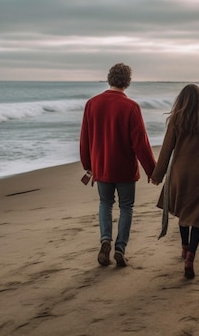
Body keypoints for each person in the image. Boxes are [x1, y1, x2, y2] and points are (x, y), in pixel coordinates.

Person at [80, 63, 156, 267]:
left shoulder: (92, 104)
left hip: (101, 166)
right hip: (123, 167)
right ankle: (120, 248)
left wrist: (88, 164)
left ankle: (105, 240)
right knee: (126, 207)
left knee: (105, 203)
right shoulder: (131, 107)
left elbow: (85, 138)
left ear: (109, 78)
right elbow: (140, 142)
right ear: (127, 82)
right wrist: (151, 169)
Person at [151, 84, 199, 279]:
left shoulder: (176, 120)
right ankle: (190, 256)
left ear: (181, 100)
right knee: (198, 217)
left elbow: (166, 150)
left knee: (184, 213)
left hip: (180, 175)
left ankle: (184, 248)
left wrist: (157, 175)